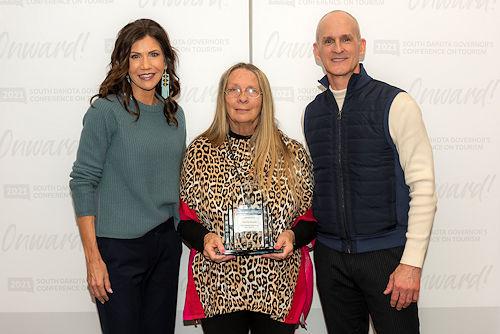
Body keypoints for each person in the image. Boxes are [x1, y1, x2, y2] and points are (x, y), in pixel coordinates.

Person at [304, 10, 437, 334]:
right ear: (316, 51)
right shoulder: (312, 113)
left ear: (360, 46)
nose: (337, 48)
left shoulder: (396, 103)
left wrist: (412, 263)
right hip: (331, 258)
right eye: (328, 41)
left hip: (388, 259)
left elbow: (424, 188)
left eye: (346, 39)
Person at [177, 62, 316, 334]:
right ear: (223, 97)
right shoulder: (198, 152)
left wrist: (293, 237)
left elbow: (310, 220)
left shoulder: (292, 153)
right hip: (218, 285)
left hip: (277, 284)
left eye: (252, 90)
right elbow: (184, 220)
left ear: (264, 99)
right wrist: (205, 239)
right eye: (234, 90)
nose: (242, 97)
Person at [69, 19, 185, 334]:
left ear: (166, 61)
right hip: (118, 251)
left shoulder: (173, 114)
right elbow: (82, 182)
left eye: (154, 54)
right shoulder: (106, 112)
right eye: (136, 56)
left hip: (165, 245)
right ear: (124, 61)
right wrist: (93, 258)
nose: (145, 65)